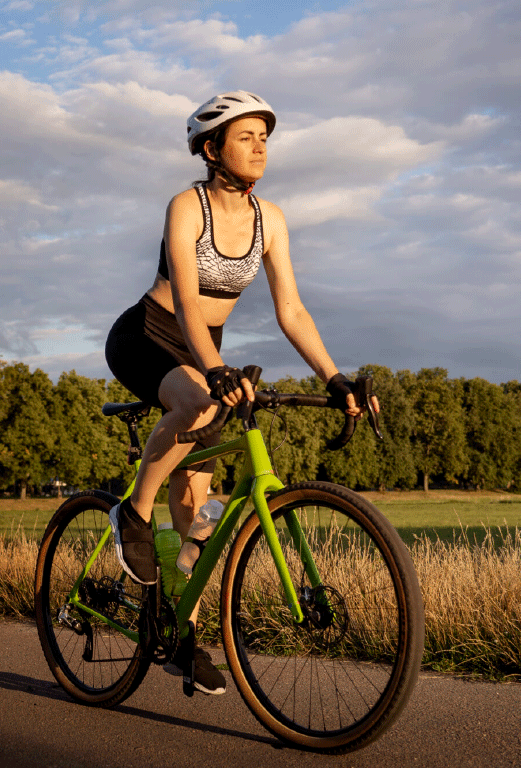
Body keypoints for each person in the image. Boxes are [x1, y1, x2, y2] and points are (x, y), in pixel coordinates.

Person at [103, 91, 378, 695]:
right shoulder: (187, 206)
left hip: (206, 355)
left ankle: (180, 635)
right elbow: (184, 296)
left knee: (198, 512)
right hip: (148, 336)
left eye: (264, 138)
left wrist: (334, 378)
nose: (260, 148)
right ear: (211, 149)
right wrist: (215, 369)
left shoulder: (269, 219)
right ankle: (133, 514)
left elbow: (292, 310)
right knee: (200, 402)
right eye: (246, 137)